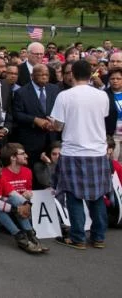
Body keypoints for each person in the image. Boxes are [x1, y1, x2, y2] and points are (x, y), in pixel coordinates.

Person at [50, 60, 111, 249]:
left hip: (73, 151)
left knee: (74, 196)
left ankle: (78, 238)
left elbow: (58, 125)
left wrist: (52, 123)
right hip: (97, 151)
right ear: (91, 73)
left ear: (72, 74)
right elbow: (103, 117)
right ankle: (99, 237)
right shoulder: (102, 96)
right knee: (97, 196)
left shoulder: (65, 96)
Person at [0, 155, 44, 254]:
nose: (1, 168)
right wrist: (16, 209)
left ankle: (30, 233)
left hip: (1, 218)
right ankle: (19, 236)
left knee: (12, 199)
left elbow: (12, 193)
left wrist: (26, 204)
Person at [12, 64, 60, 167]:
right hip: (32, 139)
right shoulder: (21, 92)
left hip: (51, 138)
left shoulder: (55, 89)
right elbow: (17, 114)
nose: (44, 77)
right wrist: (34, 120)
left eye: (46, 75)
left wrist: (54, 121)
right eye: (40, 74)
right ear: (32, 75)